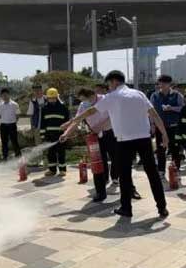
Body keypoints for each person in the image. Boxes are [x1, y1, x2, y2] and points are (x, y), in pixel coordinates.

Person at [61, 70, 169, 219]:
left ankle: (126, 208)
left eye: (109, 84)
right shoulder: (139, 94)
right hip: (144, 139)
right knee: (152, 173)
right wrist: (164, 134)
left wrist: (71, 121)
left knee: (124, 175)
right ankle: (162, 208)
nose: (108, 87)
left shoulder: (112, 97)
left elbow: (91, 111)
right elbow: (154, 114)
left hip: (124, 141)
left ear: (114, 82)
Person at [150, 75, 184, 174]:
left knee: (175, 149)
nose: (162, 85)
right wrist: (152, 124)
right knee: (160, 149)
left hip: (174, 126)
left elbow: (182, 108)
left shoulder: (177, 95)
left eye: (165, 83)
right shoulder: (154, 96)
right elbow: (151, 111)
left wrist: (172, 108)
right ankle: (161, 170)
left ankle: (176, 168)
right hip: (160, 127)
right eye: (160, 83)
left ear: (170, 84)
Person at [40, 88, 70, 176]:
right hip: (49, 135)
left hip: (60, 134)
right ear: (47, 98)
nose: (51, 100)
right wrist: (42, 135)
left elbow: (67, 121)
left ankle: (62, 170)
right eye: (50, 98)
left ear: (57, 97)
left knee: (61, 152)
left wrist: (66, 134)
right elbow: (42, 123)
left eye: (53, 98)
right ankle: (52, 170)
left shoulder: (63, 107)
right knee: (51, 153)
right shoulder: (44, 108)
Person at [0, 88, 21, 160]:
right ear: (1, 96)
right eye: (3, 95)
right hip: (3, 125)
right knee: (4, 142)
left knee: (14, 141)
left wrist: (14, 122)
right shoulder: (0, 105)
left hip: (12, 125)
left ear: (9, 95)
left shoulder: (14, 104)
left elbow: (17, 115)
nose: (4, 97)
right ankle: (5, 156)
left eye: (6, 95)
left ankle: (18, 155)